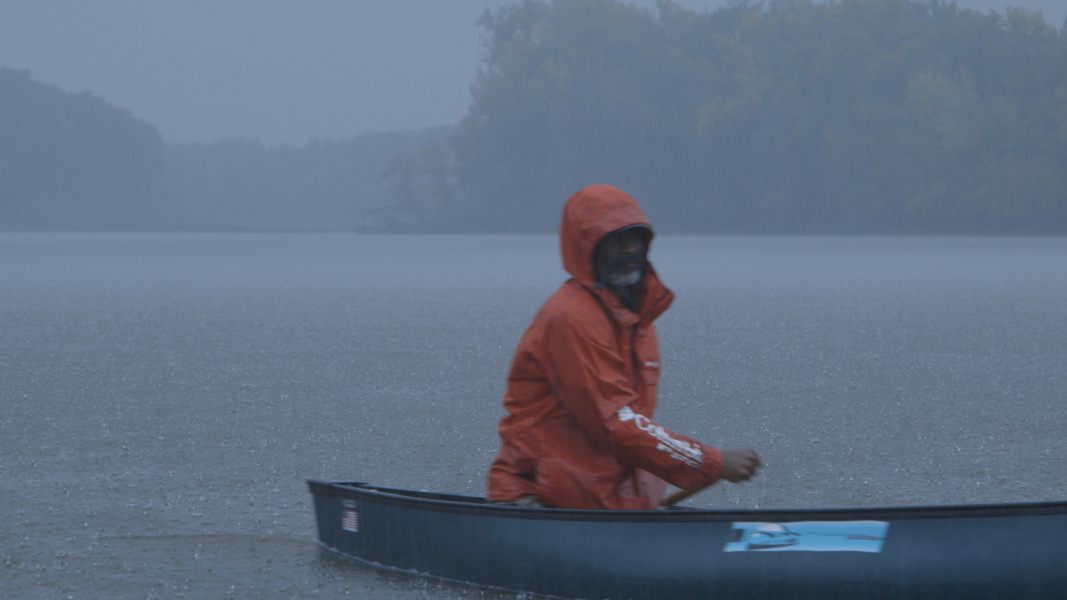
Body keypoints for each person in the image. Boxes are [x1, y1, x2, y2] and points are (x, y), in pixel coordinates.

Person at [487, 184, 761, 510]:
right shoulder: (571, 317)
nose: (629, 248)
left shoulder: (637, 322)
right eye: (615, 240)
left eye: (636, 237)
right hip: (540, 503)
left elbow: (627, 427)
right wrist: (710, 461)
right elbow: (616, 424)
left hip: (600, 506)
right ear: (588, 249)